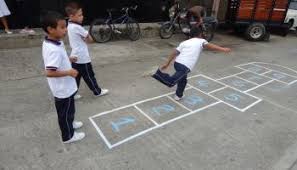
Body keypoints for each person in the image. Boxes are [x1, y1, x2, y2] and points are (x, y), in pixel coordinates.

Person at [152, 27, 231, 100]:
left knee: (183, 80)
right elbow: (210, 46)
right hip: (185, 66)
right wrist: (223, 49)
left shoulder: (185, 42)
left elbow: (174, 52)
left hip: (177, 63)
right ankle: (156, 73)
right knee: (171, 82)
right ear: (200, 34)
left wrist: (167, 63)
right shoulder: (201, 41)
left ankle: (179, 95)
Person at [41, 11, 85, 144]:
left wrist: (68, 58)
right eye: (62, 27)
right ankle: (68, 136)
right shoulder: (52, 49)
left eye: (65, 26)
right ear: (50, 29)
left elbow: (58, 61)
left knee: (70, 109)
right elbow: (49, 72)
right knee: (64, 113)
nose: (65, 30)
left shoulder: (55, 41)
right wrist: (69, 72)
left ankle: (70, 123)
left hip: (67, 86)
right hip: (62, 89)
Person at [65, 2, 109, 100]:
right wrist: (87, 38)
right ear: (71, 16)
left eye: (82, 14)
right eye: (79, 15)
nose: (82, 17)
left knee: (76, 76)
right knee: (89, 76)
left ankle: (73, 93)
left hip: (75, 56)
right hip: (82, 57)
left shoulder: (70, 24)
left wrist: (85, 38)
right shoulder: (77, 27)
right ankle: (97, 91)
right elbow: (90, 39)